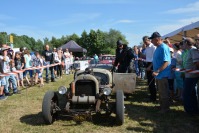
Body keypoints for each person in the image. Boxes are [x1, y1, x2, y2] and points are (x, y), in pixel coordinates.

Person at [150, 32, 171, 113]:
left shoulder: (164, 47)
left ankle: (165, 108)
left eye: (152, 40)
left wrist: (158, 71)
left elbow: (167, 62)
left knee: (164, 92)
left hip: (162, 74)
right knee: (160, 91)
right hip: (158, 75)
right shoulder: (158, 47)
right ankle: (162, 106)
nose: (151, 42)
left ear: (157, 39)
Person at [183, 37, 199, 115]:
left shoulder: (193, 50)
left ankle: (189, 111)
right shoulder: (190, 50)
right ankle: (194, 110)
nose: (182, 44)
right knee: (192, 93)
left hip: (192, 76)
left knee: (186, 94)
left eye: (183, 42)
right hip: (189, 75)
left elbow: (197, 63)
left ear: (186, 43)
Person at [142, 36, 157, 102]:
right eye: (144, 42)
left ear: (149, 40)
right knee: (149, 82)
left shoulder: (153, 47)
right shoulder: (147, 47)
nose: (145, 43)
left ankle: (153, 98)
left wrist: (150, 66)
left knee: (152, 82)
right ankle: (151, 96)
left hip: (152, 65)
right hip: (148, 64)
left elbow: (154, 59)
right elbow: (147, 57)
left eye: (145, 41)